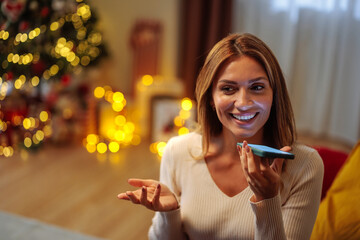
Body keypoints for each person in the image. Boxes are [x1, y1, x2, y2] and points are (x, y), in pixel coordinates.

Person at [117, 33, 324, 239]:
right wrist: (168, 213)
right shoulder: (177, 151)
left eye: (257, 87)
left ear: (274, 95)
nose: (243, 102)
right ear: (210, 98)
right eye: (228, 89)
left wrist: (268, 200)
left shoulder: (306, 165)